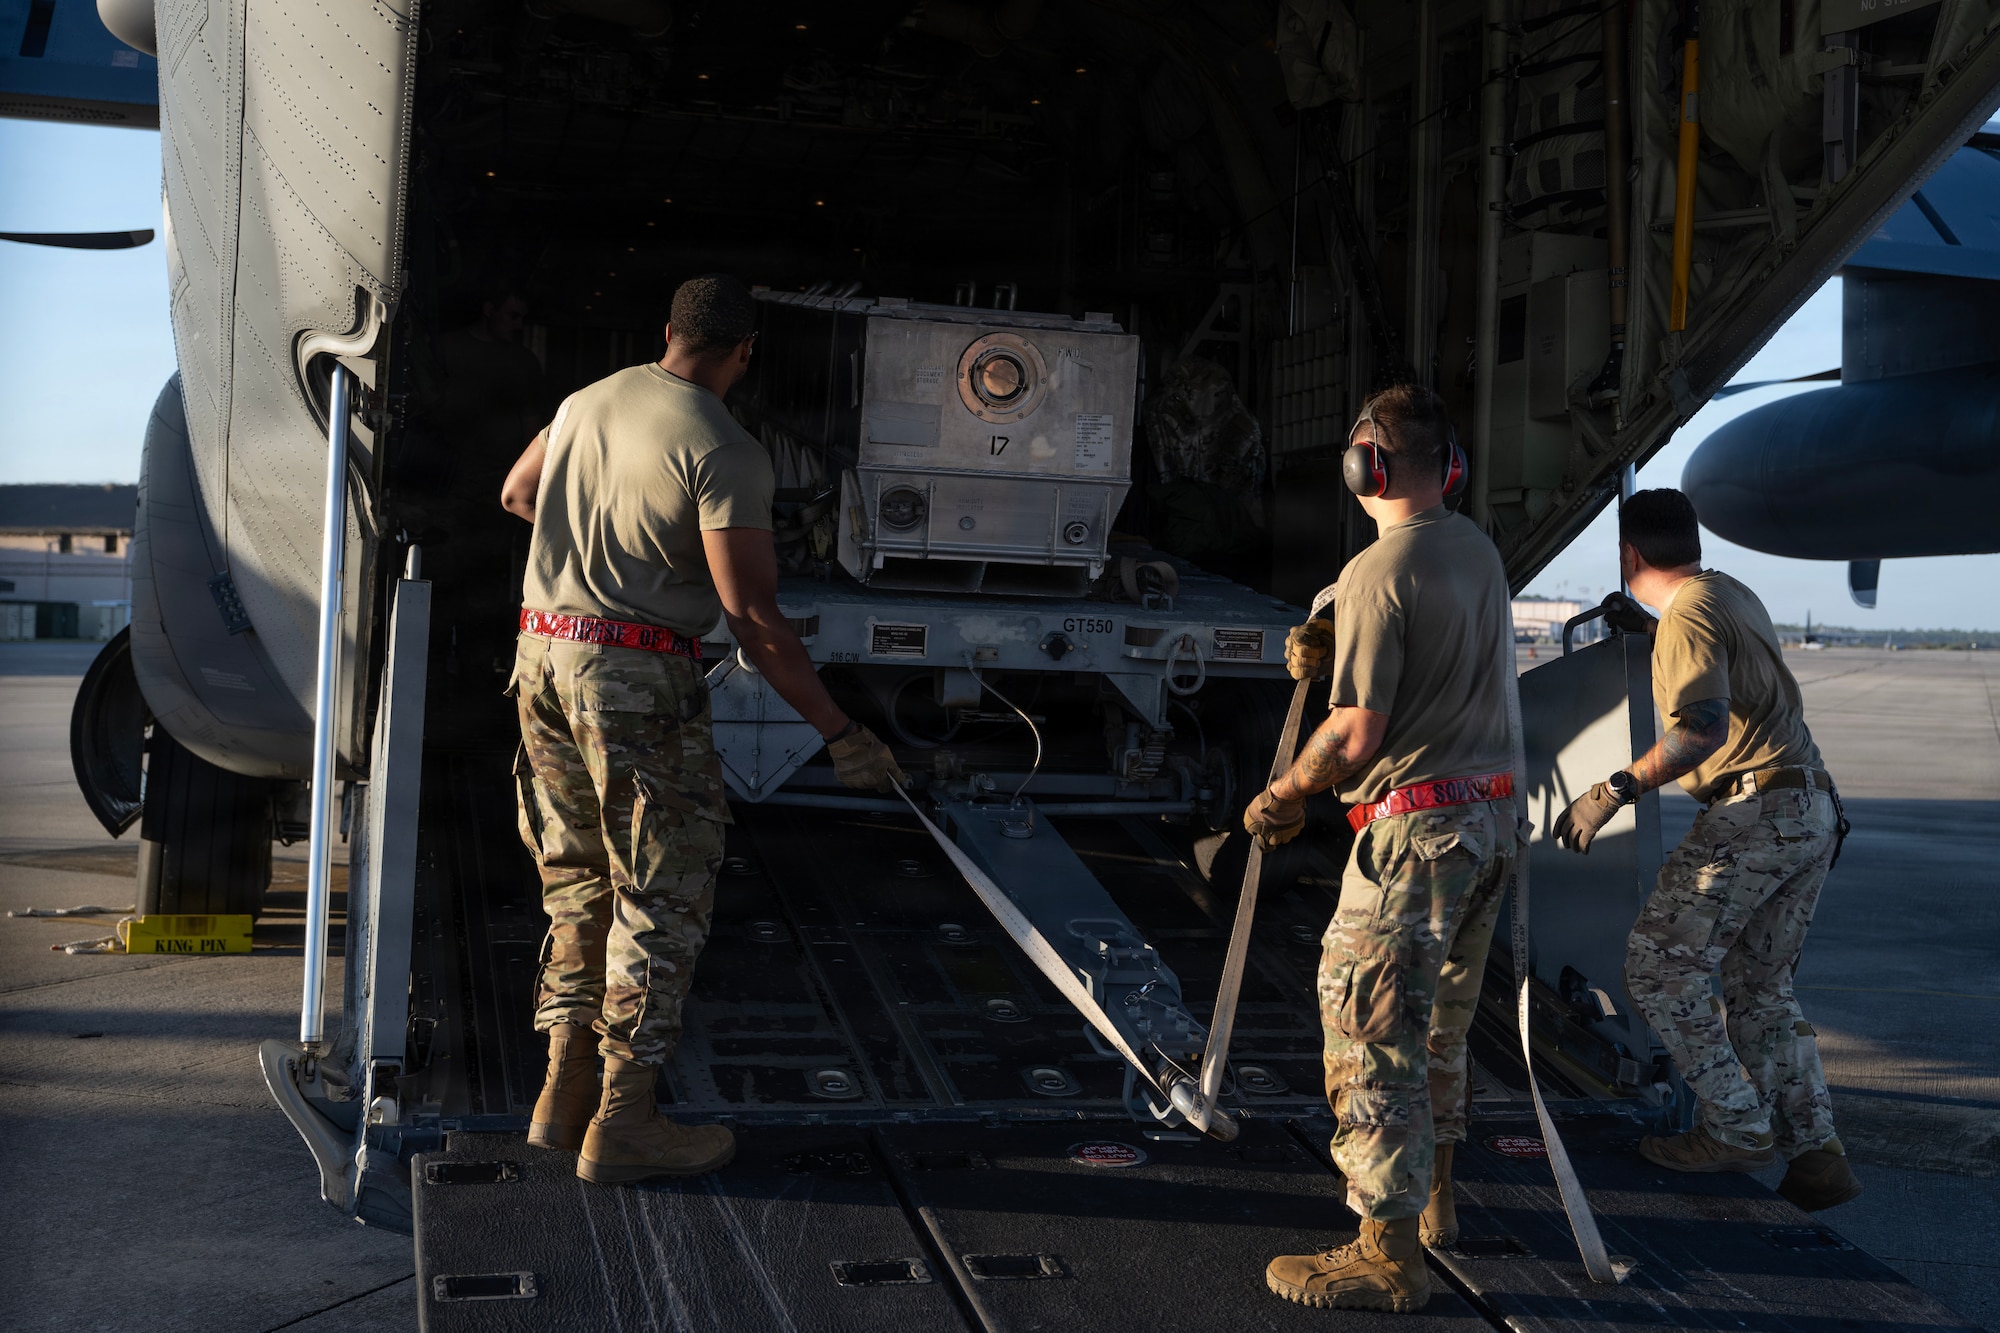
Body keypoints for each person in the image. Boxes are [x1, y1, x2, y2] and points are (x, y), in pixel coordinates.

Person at [497, 273, 904, 1186]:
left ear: (668, 331)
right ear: (744, 352)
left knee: (575, 878)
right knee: (660, 891)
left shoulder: (583, 402)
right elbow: (753, 620)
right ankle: (624, 1119)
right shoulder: (725, 447)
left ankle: (561, 1097)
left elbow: (518, 494)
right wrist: (840, 731)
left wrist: (599, 550)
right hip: (633, 674)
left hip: (541, 658)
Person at [1246, 384, 1517, 1314]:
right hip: (1488, 824)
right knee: (1440, 1022)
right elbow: (1436, 660)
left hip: (1416, 834)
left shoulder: (1374, 572)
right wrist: (1345, 643)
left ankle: (1385, 1253)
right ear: (1450, 468)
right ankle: (1435, 1203)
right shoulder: (1476, 552)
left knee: (1368, 1030)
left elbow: (1356, 735)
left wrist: (1283, 792)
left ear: (1364, 466)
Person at [1553, 488, 1859, 1211]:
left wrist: (1612, 789)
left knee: (1658, 967)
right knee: (1759, 989)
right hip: (1809, 804)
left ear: (1629, 554)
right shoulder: (1726, 592)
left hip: (1754, 808)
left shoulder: (1688, 613)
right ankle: (1817, 1152)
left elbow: (1701, 727)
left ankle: (1736, 1126)